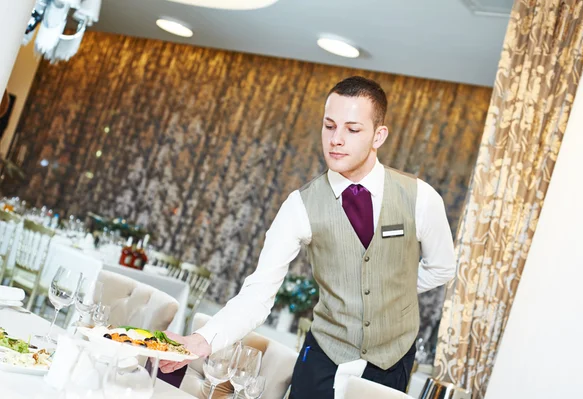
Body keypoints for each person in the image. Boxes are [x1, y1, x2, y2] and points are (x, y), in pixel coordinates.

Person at [159, 76, 456, 398]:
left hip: (392, 362)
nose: (336, 140)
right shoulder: (299, 205)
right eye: (329, 126)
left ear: (378, 136)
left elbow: (442, 268)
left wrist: (390, 292)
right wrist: (203, 340)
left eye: (352, 129)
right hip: (323, 355)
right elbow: (259, 292)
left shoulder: (421, 198)